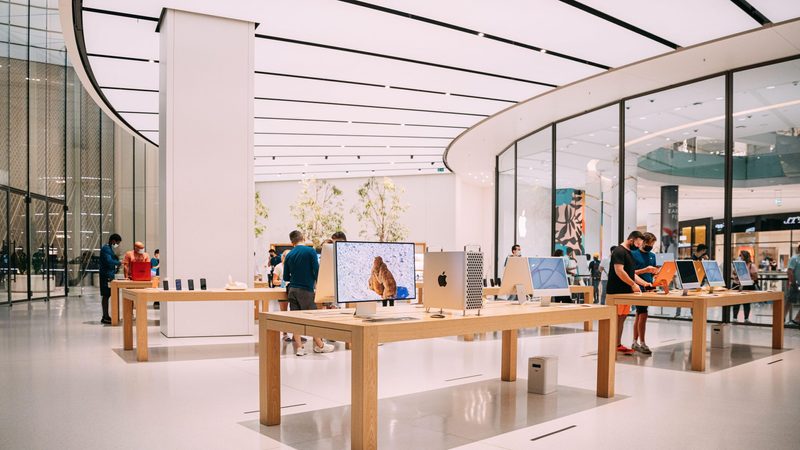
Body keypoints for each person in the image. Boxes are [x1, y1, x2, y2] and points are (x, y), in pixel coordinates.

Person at [283, 230, 333, 356]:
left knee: (296, 319)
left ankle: (299, 348)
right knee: (312, 319)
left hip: (292, 290)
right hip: (306, 290)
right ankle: (320, 345)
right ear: (303, 238)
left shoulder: (289, 255)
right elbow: (317, 270)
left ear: (291, 242)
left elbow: (286, 277)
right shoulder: (310, 251)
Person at [606, 231, 652, 355]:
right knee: (617, 319)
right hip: (617, 293)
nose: (638, 247)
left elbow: (632, 274)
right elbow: (619, 271)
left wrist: (645, 284)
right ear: (631, 240)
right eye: (637, 244)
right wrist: (633, 284)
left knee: (622, 318)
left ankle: (617, 344)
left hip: (625, 294)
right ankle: (612, 344)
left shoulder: (629, 253)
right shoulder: (619, 251)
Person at [631, 232, 659, 355]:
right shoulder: (633, 254)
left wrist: (657, 275)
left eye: (652, 244)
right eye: (649, 243)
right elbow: (631, 272)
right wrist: (645, 270)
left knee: (640, 314)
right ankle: (642, 342)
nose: (651, 246)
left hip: (649, 288)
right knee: (643, 314)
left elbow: (653, 273)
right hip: (638, 288)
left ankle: (635, 342)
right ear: (643, 242)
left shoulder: (652, 255)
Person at [99, 234, 122, 325]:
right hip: (106, 275)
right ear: (113, 241)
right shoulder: (106, 249)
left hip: (109, 275)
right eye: (117, 243)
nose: (117, 245)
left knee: (108, 295)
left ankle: (106, 316)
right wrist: (118, 262)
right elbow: (109, 261)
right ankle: (105, 316)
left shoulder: (109, 249)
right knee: (106, 295)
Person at [732, 250, 758, 323]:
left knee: (746, 302)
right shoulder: (738, 265)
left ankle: (746, 318)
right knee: (736, 302)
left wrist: (746, 277)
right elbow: (734, 273)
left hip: (746, 286)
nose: (740, 257)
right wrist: (736, 276)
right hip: (737, 284)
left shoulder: (751, 266)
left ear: (745, 256)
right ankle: (734, 318)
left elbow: (755, 276)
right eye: (740, 255)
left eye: (741, 255)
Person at [785, 244, 800, 326]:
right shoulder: (794, 258)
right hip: (795, 284)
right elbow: (790, 271)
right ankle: (782, 318)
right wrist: (793, 282)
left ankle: (797, 319)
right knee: (789, 301)